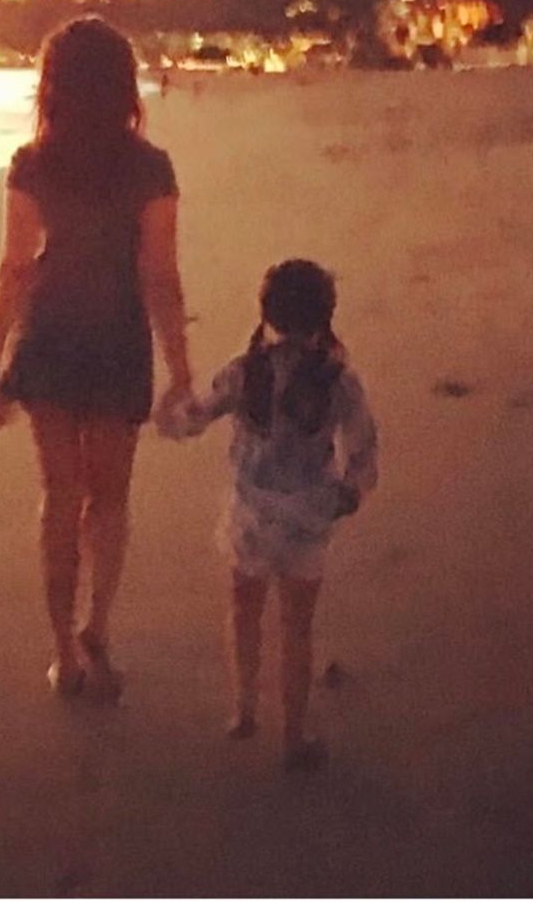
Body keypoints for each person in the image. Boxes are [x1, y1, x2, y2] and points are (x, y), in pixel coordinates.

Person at [0, 16, 193, 698]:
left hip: (49, 336)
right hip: (117, 339)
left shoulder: (33, 164)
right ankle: (97, 626)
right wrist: (180, 368)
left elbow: (16, 268)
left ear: (53, 85)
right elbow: (159, 274)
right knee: (110, 498)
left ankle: (63, 653)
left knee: (59, 494)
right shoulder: (150, 168)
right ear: (124, 83)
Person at [156, 258, 378, 769]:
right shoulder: (339, 381)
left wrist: (168, 416)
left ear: (267, 313)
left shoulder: (245, 372)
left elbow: (196, 417)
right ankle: (294, 734)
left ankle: (244, 709)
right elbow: (363, 450)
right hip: (307, 518)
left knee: (244, 611)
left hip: (250, 514)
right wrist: (350, 494)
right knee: (297, 627)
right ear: (325, 316)